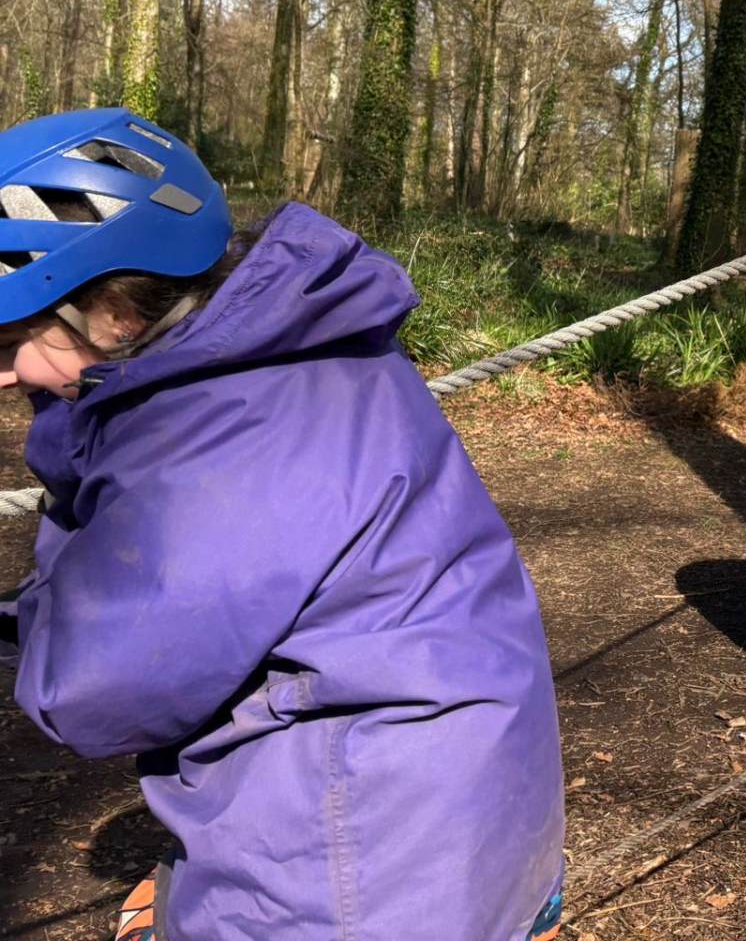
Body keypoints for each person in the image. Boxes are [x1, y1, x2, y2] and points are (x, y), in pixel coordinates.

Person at [0, 109, 566, 940]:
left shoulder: (217, 437)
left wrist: (70, 438)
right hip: (470, 800)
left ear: (115, 311)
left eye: (11, 341)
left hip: (370, 871)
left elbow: (85, 691)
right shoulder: (297, 344)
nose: (4, 375)